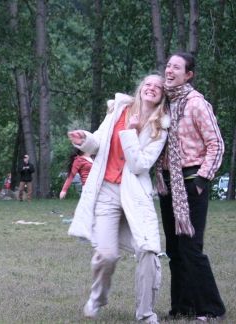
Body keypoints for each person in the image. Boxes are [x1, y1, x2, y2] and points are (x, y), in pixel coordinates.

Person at [67, 74, 170, 323]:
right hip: (107, 192)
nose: (152, 88)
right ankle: (98, 297)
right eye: (148, 84)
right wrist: (85, 140)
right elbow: (98, 143)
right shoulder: (119, 109)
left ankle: (145, 313)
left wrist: (132, 133)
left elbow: (140, 165)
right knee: (106, 254)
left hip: (136, 195)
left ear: (162, 96)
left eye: (158, 87)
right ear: (140, 88)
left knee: (148, 251)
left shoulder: (161, 127)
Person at [155, 52, 226, 321]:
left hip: (190, 182)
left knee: (190, 248)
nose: (169, 70)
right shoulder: (163, 103)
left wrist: (202, 179)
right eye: (168, 65)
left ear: (188, 74)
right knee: (174, 249)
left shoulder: (196, 104)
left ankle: (211, 308)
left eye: (176, 67)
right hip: (167, 183)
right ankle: (182, 307)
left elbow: (216, 144)